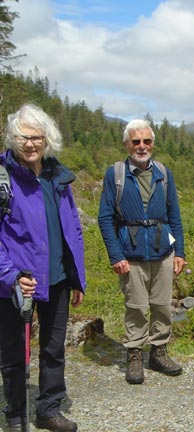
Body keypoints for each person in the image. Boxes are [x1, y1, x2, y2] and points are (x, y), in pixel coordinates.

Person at [0, 104, 86, 432]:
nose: (31, 144)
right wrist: (10, 275)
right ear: (12, 138)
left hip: (58, 278)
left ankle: (49, 408)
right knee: (13, 353)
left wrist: (76, 275)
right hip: (15, 282)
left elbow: (72, 229)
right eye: (24, 137)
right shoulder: (3, 176)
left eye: (38, 137)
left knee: (53, 349)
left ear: (47, 140)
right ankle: (16, 414)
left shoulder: (57, 176)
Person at [98, 119, 186, 385]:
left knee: (162, 305)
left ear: (153, 144)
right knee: (135, 306)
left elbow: (174, 216)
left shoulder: (163, 173)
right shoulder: (116, 174)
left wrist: (179, 252)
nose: (141, 146)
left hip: (163, 249)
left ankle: (158, 352)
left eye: (146, 141)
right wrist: (116, 255)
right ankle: (134, 353)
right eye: (136, 141)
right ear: (126, 144)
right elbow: (104, 218)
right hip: (130, 252)